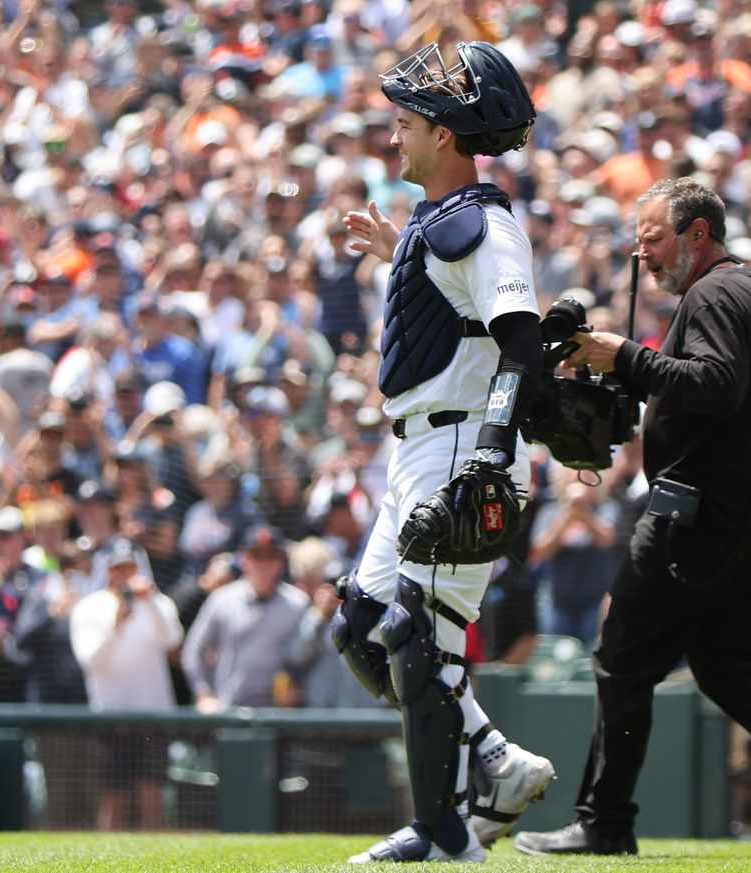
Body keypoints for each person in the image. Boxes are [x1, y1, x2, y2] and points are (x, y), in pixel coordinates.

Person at [336, 42, 554, 863]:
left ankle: (442, 834)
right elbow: (453, 301)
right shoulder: (436, 224)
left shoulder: (482, 222)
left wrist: (492, 452)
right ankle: (492, 758)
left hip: (462, 441)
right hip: (416, 448)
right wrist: (396, 246)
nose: (396, 135)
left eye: (407, 123)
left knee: (415, 640)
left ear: (447, 135)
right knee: (362, 625)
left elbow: (521, 346)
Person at [515, 179, 751, 856]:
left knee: (622, 655)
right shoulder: (738, 290)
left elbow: (717, 385)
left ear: (699, 233)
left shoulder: (715, 292)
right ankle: (604, 820)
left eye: (654, 237)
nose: (643, 252)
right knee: (726, 666)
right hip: (729, 517)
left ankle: (604, 823)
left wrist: (627, 358)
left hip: (692, 515)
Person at [69, 537, 183, 831]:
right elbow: (90, 659)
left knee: (152, 790)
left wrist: (149, 601)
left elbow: (173, 640)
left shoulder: (158, 601)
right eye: (118, 568)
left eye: (130, 567)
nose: (125, 574)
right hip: (111, 714)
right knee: (114, 793)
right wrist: (115, 624)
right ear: (107, 570)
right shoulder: (90, 607)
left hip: (154, 712)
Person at [180, 524, 309, 710]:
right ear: (244, 560)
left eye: (271, 556)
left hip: (280, 715)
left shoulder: (298, 603)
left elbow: (308, 655)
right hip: (228, 711)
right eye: (257, 556)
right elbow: (194, 650)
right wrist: (204, 694)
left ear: (281, 561)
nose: (264, 564)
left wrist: (299, 686)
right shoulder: (222, 600)